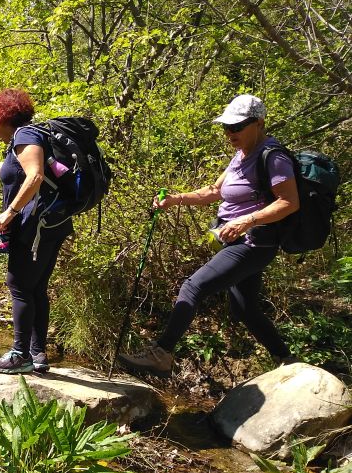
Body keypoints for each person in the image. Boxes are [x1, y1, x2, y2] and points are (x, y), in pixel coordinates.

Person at [118, 94, 299, 377]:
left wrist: (246, 220)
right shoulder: (241, 155)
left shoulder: (273, 157)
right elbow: (214, 192)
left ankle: (161, 354)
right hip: (237, 240)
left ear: (259, 123)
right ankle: (287, 361)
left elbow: (289, 201)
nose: (229, 132)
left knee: (193, 287)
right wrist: (175, 199)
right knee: (245, 309)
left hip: (253, 242)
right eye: (226, 127)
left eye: (236, 127)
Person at [0, 89, 72, 374]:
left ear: (5, 118)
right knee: (36, 289)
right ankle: (38, 354)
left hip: (35, 228)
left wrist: (10, 212)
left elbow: (34, 175)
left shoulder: (25, 136)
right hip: (50, 225)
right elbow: (12, 170)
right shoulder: (28, 137)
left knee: (19, 286)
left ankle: (20, 355)